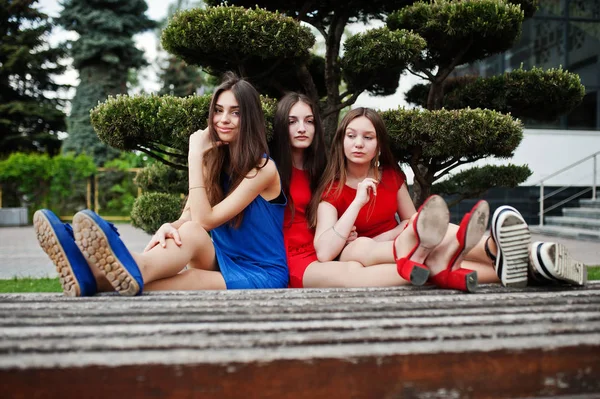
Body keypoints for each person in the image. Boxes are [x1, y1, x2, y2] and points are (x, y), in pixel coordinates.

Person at [33, 73, 289, 296]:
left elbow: (206, 220)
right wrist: (170, 226)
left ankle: (93, 274)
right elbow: (191, 218)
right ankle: (98, 272)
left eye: (235, 112)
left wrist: (194, 156)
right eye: (218, 110)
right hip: (222, 260)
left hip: (262, 273)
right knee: (187, 232)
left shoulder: (262, 169)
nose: (223, 119)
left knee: (189, 272)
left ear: (250, 118)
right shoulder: (213, 162)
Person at [309, 107, 588, 292]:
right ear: (341, 141)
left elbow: (410, 220)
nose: (358, 143)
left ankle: (526, 264)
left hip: (405, 244)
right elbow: (325, 251)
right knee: (365, 245)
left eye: (368, 137)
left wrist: (401, 231)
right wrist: (360, 204)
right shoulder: (332, 188)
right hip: (366, 254)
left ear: (379, 145)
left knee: (432, 239)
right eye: (352, 136)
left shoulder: (391, 177)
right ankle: (515, 252)